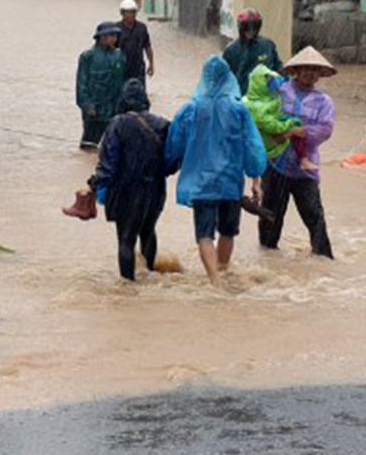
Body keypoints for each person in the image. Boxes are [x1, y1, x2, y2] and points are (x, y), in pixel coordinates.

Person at [165, 54, 267, 290]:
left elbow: (174, 142)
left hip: (201, 183)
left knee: (204, 234)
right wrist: (255, 179)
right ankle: (223, 268)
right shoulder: (239, 109)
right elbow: (253, 144)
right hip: (230, 181)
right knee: (228, 231)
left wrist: (170, 163)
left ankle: (214, 280)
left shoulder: (190, 109)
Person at [79, 78, 174, 281]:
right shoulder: (164, 125)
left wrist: (94, 185)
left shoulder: (117, 124)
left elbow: (108, 164)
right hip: (156, 189)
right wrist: (160, 173)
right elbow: (174, 159)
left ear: (123, 101)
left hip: (126, 191)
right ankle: (149, 275)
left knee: (126, 238)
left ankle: (128, 286)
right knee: (148, 231)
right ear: (145, 100)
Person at [257, 47, 338, 259]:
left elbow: (325, 130)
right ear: (296, 70)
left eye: (314, 69)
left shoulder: (324, 102)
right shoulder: (280, 91)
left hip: (305, 170)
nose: (310, 73)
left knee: (315, 219)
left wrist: (295, 132)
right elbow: (261, 115)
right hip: (275, 165)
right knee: (270, 218)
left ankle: (324, 261)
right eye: (306, 68)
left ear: (320, 74)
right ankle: (267, 259)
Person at [75, 20, 126, 151]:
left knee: (112, 146)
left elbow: (122, 83)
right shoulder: (88, 57)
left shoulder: (119, 56)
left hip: (114, 108)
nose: (115, 39)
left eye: (116, 36)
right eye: (112, 36)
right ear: (102, 37)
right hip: (95, 111)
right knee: (89, 146)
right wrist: (87, 106)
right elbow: (81, 85)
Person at [221, 8, 282, 95]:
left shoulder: (268, 45)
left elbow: (278, 68)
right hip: (241, 98)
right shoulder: (231, 50)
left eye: (254, 27)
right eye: (247, 28)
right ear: (241, 27)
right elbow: (224, 77)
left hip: (266, 98)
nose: (251, 31)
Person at [115, 0, 154, 89]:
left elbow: (147, 46)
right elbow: (111, 49)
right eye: (127, 12)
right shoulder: (116, 29)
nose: (131, 15)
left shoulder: (142, 28)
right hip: (122, 67)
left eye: (133, 12)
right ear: (122, 13)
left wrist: (151, 64)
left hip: (138, 67)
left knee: (139, 93)